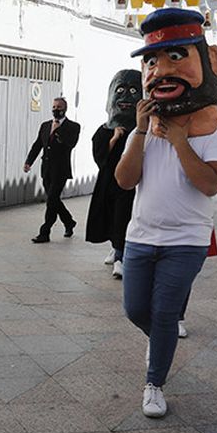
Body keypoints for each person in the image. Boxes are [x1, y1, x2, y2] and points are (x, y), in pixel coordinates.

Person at [115, 8, 217, 419]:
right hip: (141, 236)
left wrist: (181, 140)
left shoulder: (211, 135)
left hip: (186, 241)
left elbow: (211, 184)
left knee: (164, 312)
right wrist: (141, 131)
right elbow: (125, 180)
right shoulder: (141, 130)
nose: (159, 70)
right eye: (151, 61)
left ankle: (154, 383)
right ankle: (161, 339)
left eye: (175, 57)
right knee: (135, 310)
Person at [86, 70, 141, 279]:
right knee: (109, 217)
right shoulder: (104, 130)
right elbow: (100, 158)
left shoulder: (141, 131)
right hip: (108, 182)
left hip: (128, 185)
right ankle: (115, 248)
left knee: (122, 218)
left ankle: (121, 256)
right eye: (120, 91)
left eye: (133, 92)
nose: (126, 97)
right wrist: (114, 138)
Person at [25, 96, 82, 242]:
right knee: (54, 200)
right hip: (46, 169)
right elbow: (38, 144)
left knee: (51, 201)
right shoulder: (45, 125)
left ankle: (45, 232)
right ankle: (69, 222)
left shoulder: (73, 127)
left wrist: (58, 132)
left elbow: (70, 144)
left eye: (59, 107)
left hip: (61, 170)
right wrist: (29, 162)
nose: (56, 110)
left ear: (65, 109)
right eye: (54, 107)